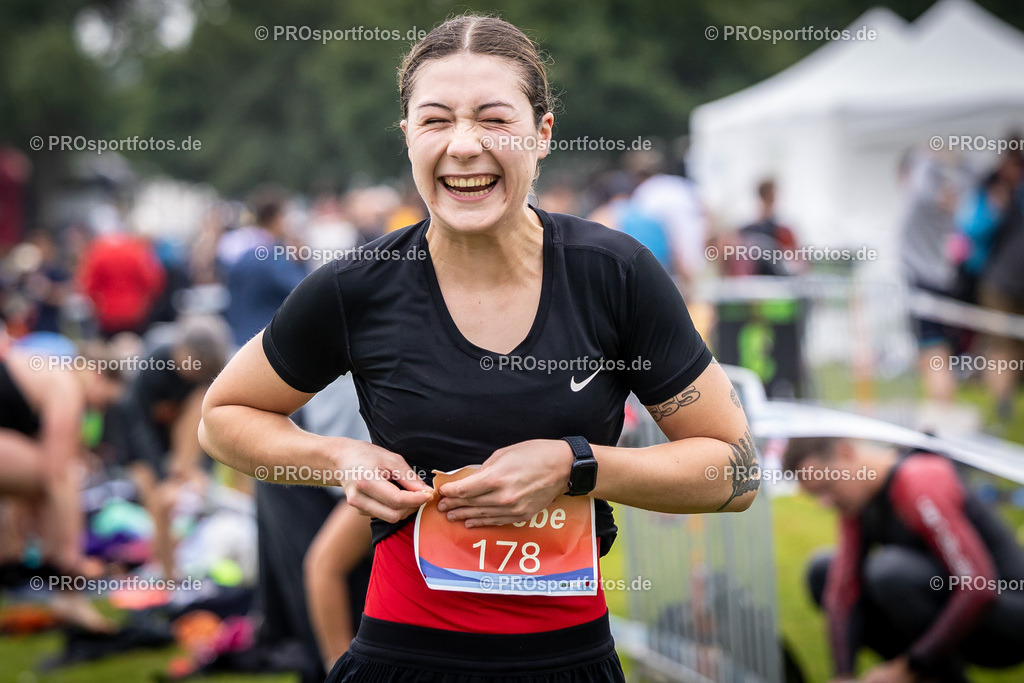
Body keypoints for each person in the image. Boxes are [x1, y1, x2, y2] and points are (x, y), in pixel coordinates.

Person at [199, 15, 757, 683]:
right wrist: (341, 458)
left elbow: (736, 470)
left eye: (494, 119)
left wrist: (575, 465)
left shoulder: (615, 275)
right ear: (408, 137)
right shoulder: (358, 286)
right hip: (401, 662)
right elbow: (223, 417)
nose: (464, 146)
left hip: (569, 663)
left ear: (542, 134)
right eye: (435, 121)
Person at [784, 437, 1024, 683]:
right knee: (823, 572)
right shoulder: (859, 501)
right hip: (953, 607)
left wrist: (908, 668)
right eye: (816, 495)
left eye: (827, 487)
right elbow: (843, 590)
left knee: (889, 572)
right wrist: (843, 674)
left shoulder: (917, 479)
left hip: (1007, 618)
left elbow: (978, 589)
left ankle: (931, 674)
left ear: (846, 453)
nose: (825, 503)